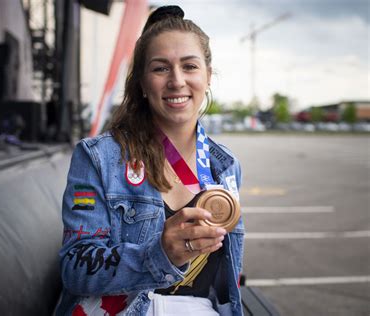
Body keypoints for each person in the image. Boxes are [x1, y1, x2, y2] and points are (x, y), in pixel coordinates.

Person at [56, 5, 244, 316]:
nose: (177, 81)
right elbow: (75, 267)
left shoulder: (226, 166)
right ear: (142, 83)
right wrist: (158, 254)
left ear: (208, 76)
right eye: (160, 68)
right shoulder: (98, 158)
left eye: (189, 66)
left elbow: (227, 279)